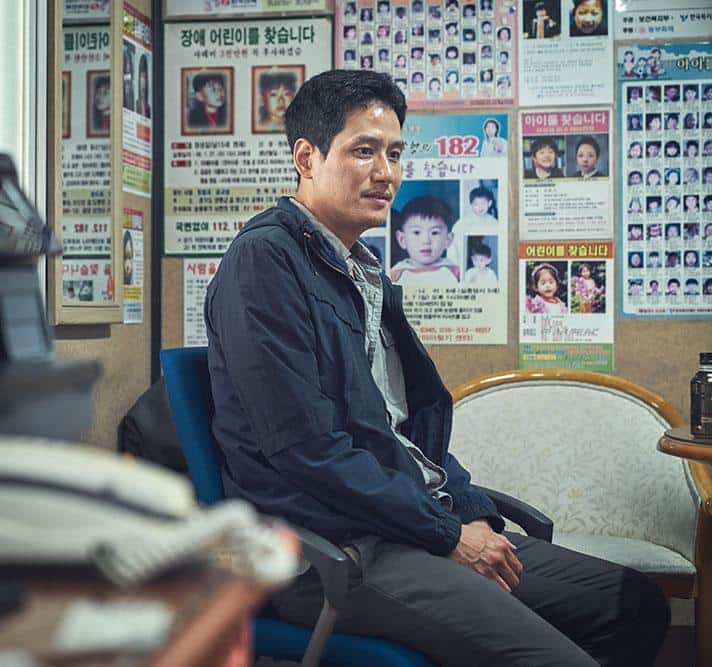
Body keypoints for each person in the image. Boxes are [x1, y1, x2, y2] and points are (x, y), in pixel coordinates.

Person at [204, 69, 669, 665]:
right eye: (364, 151)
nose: (386, 172)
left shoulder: (358, 267)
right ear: (307, 158)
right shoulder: (264, 262)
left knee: (635, 604)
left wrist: (470, 513)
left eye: (395, 153)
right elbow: (310, 451)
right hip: (336, 549)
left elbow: (404, 431)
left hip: (406, 523)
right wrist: (448, 534)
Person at [388, 196, 461, 284]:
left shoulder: (456, 272)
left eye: (434, 232)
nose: (426, 241)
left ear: (448, 240)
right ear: (402, 239)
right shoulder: (395, 274)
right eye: (416, 232)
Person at [134, 54, 151, 118]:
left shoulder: (149, 107)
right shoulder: (136, 104)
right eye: (141, 77)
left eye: (145, 77)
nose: (143, 82)